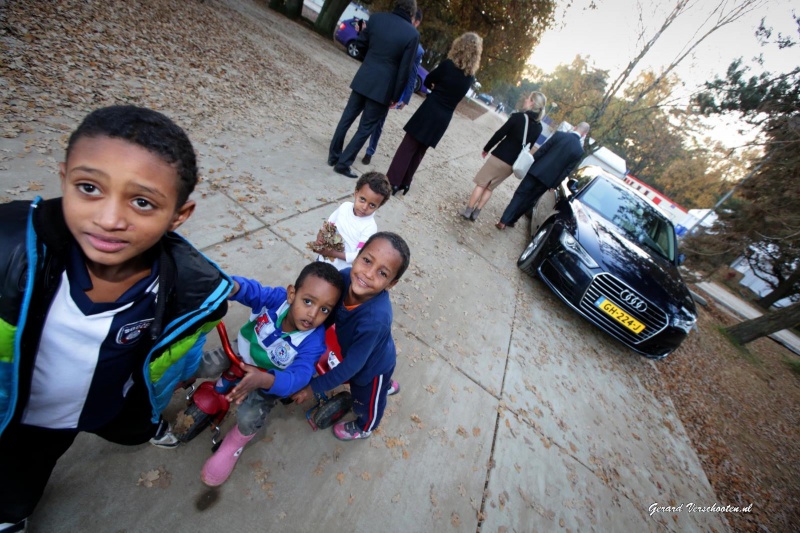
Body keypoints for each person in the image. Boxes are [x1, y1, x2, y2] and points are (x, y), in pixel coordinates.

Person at [0, 105, 232, 530]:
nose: (109, 220)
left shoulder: (189, 293)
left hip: (105, 407)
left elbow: (167, 356)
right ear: (63, 177)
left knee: (112, 435)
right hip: (21, 414)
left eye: (142, 202)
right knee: (17, 479)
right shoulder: (8, 250)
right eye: (89, 188)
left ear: (179, 216)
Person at [199, 263, 344, 487]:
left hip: (268, 379)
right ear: (292, 294)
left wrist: (266, 380)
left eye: (324, 309)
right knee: (203, 365)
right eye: (308, 301)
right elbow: (253, 291)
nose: (313, 314)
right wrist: (232, 287)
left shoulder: (313, 341)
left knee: (250, 416)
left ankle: (234, 443)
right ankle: (181, 379)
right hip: (242, 350)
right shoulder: (277, 300)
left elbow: (300, 376)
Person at [291, 232, 411, 441]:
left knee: (364, 399)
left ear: (392, 283)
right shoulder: (345, 278)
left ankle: (366, 426)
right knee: (371, 369)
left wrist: (314, 387)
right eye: (366, 260)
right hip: (368, 349)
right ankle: (387, 384)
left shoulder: (375, 319)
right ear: (357, 256)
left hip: (372, 368)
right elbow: (330, 311)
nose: (368, 274)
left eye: (382, 273)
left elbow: (351, 367)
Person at [327, 0, 420, 179]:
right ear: (412, 13)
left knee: (347, 118)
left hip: (365, 77)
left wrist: (369, 63)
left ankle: (334, 155)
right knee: (365, 128)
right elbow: (405, 69)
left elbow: (361, 45)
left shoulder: (376, 19)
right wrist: (395, 96)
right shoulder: (412, 34)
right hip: (384, 88)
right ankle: (344, 163)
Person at [386, 32, 482, 196]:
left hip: (431, 108)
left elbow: (429, 79)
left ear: (459, 46)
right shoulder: (469, 78)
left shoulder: (448, 66)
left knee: (408, 146)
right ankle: (406, 182)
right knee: (420, 150)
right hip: (444, 116)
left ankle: (392, 182)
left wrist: (436, 88)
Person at [458, 92, 547, 222]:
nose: (525, 100)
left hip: (499, 157)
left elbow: (500, 134)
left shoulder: (518, 117)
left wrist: (487, 148)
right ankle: (476, 213)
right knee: (490, 188)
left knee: (481, 184)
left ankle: (468, 211)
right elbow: (529, 146)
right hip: (511, 164)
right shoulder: (539, 128)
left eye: (528, 98)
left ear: (532, 102)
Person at [495, 122, 590, 230]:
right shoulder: (579, 151)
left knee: (520, 194)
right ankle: (512, 220)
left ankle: (503, 220)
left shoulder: (559, 135)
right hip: (548, 180)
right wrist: (554, 185)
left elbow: (542, 150)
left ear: (575, 127)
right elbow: (566, 171)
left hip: (536, 170)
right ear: (584, 134)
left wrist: (530, 163)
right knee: (530, 200)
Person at [361, 8, 424, 166]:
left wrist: (405, 97)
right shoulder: (392, 31)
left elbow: (412, 74)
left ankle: (370, 150)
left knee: (378, 121)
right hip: (375, 80)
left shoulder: (418, 48)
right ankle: (356, 144)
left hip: (390, 89)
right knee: (363, 114)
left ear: (416, 22)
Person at [315, 171, 392, 270]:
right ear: (356, 193)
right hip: (322, 258)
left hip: (339, 270)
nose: (364, 207)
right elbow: (328, 224)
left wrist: (332, 253)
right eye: (362, 199)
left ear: (378, 206)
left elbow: (359, 255)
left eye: (372, 205)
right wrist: (320, 236)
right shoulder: (344, 207)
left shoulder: (369, 227)